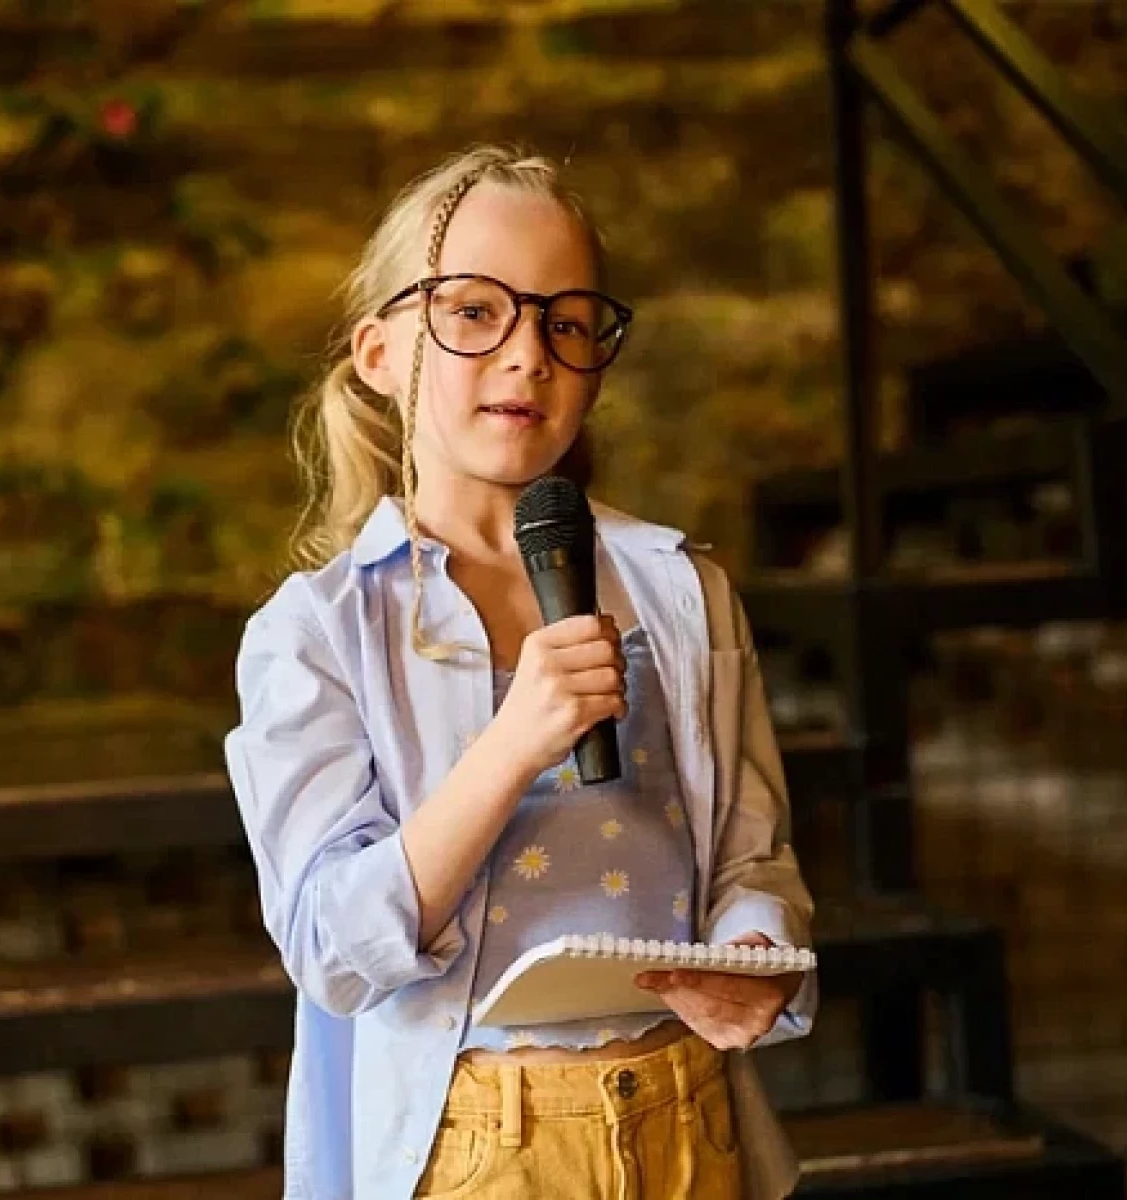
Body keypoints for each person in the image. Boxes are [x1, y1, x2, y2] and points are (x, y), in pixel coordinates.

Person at [224, 144, 816, 1200]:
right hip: (478, 1144)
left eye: (567, 322)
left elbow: (752, 860)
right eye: (473, 312)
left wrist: (752, 956)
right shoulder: (318, 631)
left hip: (690, 1120)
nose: (528, 355)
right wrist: (511, 745)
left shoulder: (684, 591)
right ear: (379, 353)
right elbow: (330, 949)